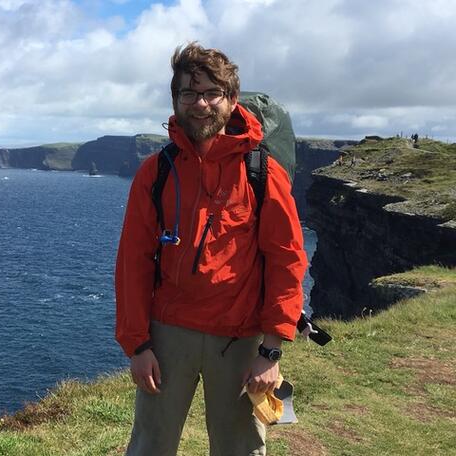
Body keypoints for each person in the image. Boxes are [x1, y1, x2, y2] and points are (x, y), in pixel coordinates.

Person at [115, 43, 307, 456]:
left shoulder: (262, 172)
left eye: (211, 93)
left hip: (240, 337)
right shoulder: (157, 171)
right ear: (175, 100)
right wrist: (138, 345)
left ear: (231, 100)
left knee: (241, 448)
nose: (200, 104)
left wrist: (270, 351)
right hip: (168, 335)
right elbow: (132, 263)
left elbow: (286, 259)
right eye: (188, 93)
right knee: (150, 446)